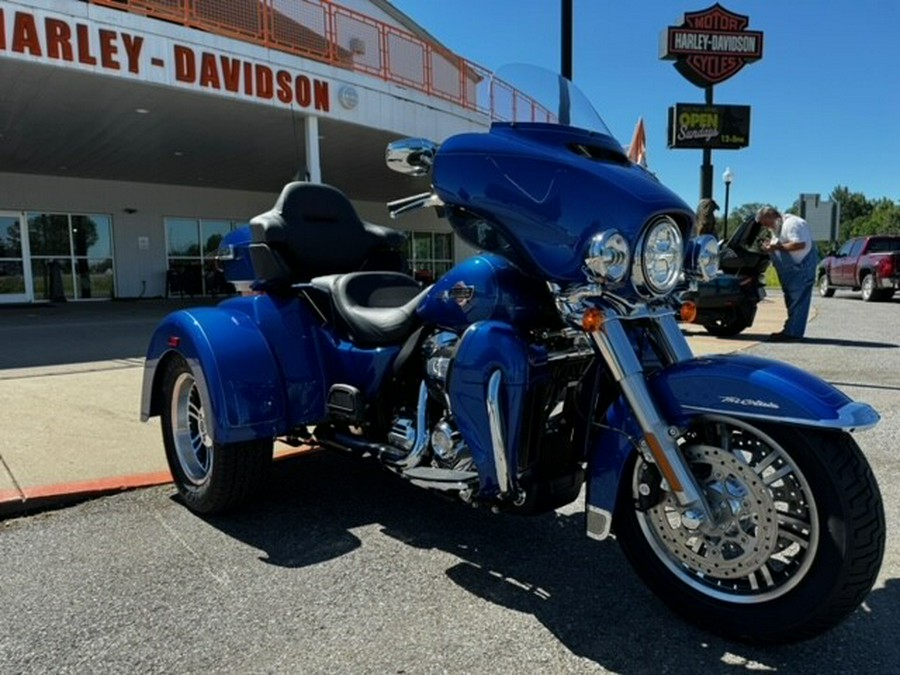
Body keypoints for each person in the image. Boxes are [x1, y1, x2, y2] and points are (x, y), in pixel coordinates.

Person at [757, 206, 818, 341]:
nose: (766, 226)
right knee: (793, 300)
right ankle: (791, 330)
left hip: (801, 268)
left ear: (772, 216)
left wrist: (775, 247)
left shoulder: (792, 224)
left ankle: (793, 333)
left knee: (798, 301)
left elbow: (799, 244)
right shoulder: (778, 227)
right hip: (793, 270)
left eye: (765, 222)